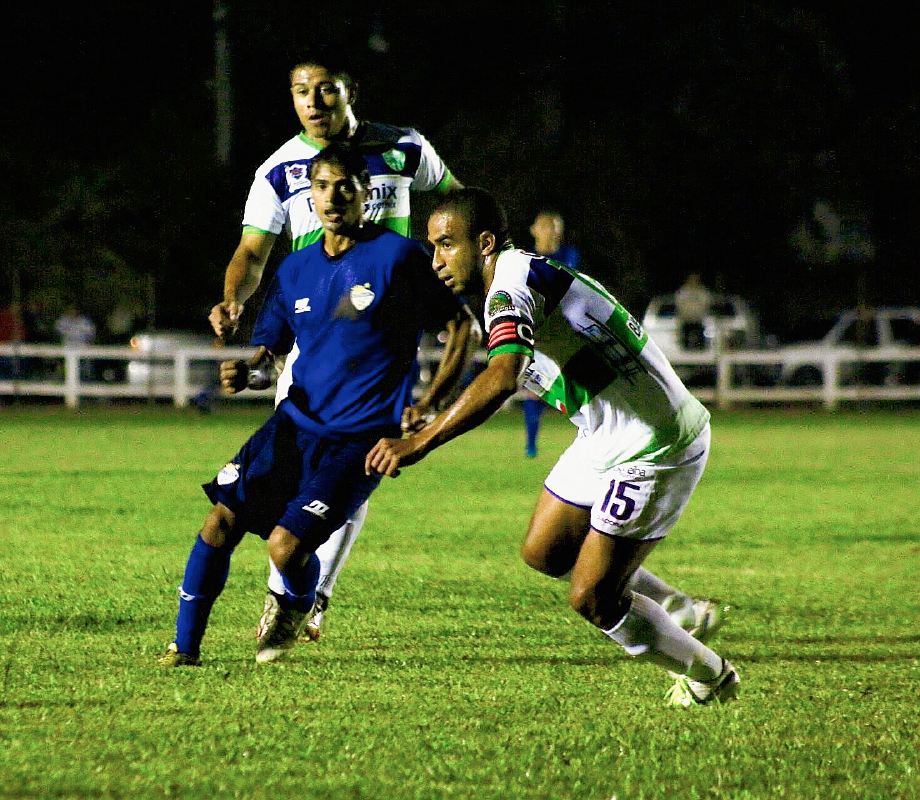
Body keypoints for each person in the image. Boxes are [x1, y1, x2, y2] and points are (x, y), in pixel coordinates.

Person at [366, 189, 738, 708]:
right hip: (607, 431)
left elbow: (502, 377)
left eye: (447, 245)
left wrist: (419, 442)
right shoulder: (515, 279)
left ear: (486, 243)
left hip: (655, 442)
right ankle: (679, 606)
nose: (437, 261)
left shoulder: (512, 284)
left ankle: (711, 676)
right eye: (433, 247)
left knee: (592, 598)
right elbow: (486, 346)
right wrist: (433, 403)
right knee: (544, 551)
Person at [160, 146, 469, 666]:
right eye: (321, 187)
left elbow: (460, 325)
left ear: (367, 193)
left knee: (284, 548)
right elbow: (270, 357)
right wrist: (248, 373)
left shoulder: (397, 257)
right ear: (310, 195)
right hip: (293, 426)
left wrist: (431, 403)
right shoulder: (296, 268)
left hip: (360, 441)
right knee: (219, 522)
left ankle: (297, 603)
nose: (332, 197)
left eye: (345, 186)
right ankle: (183, 648)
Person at [207, 51, 464, 643]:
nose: (314, 103)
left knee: (354, 461)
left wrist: (462, 258)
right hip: (310, 340)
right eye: (301, 92)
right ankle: (300, 583)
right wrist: (234, 298)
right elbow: (252, 252)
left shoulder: (404, 149)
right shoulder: (279, 170)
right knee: (303, 473)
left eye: (326, 90)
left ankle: (302, 599)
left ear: (351, 93)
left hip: (385, 337)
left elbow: (457, 202)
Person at [522, 211, 581, 457]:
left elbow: (562, 283)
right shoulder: (523, 257)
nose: (550, 231)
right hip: (537, 329)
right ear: (533, 229)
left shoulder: (568, 255)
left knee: (579, 387)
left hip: (567, 329)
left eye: (554, 227)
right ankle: (531, 444)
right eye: (544, 226)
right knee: (533, 388)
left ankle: (592, 439)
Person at [55, 306, 97, 382]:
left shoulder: (85, 321)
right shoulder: (62, 320)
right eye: (70, 310)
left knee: (85, 373)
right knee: (67, 373)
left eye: (74, 310)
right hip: (66, 350)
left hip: (83, 350)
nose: (72, 312)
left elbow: (91, 336)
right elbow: (57, 334)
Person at [674, 273, 712, 352]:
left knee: (700, 342)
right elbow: (679, 304)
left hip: (698, 320)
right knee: (685, 342)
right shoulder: (683, 291)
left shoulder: (702, 292)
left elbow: (706, 304)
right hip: (686, 320)